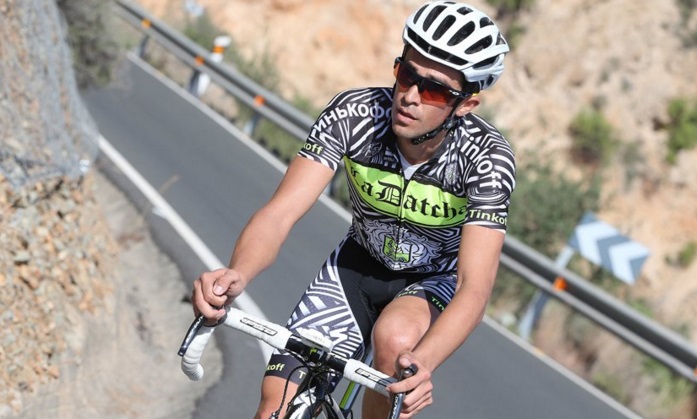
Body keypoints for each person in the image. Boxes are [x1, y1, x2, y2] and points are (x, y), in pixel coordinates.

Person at [192, 1, 515, 417]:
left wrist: (424, 363)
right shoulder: (355, 115)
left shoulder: (487, 159)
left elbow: (474, 286)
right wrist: (238, 273)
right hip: (357, 266)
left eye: (434, 90)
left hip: (433, 282)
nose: (410, 97)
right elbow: (280, 212)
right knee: (277, 400)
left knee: (396, 342)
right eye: (406, 75)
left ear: (465, 105)